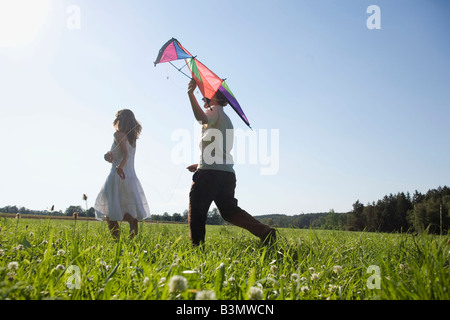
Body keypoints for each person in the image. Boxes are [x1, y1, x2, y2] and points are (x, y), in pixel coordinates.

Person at [186, 79, 276, 246]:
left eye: (205, 93)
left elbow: (200, 118)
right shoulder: (226, 119)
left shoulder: (213, 112)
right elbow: (217, 149)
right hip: (226, 174)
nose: (202, 96)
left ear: (214, 97)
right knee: (229, 211)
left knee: (197, 210)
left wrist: (190, 94)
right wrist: (199, 165)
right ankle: (264, 231)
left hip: (209, 174)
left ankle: (196, 248)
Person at [94, 109, 151, 239]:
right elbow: (115, 156)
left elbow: (126, 154)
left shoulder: (118, 134)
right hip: (130, 178)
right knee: (128, 213)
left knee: (110, 213)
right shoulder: (132, 139)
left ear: (120, 120)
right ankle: (132, 242)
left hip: (117, 176)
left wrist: (120, 166)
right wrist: (107, 156)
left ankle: (117, 242)